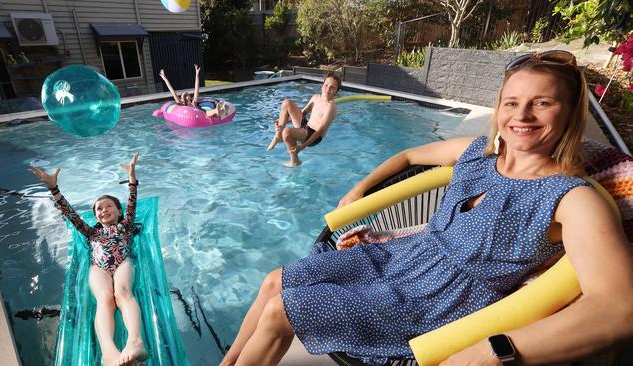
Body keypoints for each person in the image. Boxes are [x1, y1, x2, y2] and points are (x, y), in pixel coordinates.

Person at [221, 50, 633, 366]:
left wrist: (498, 350)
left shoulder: (572, 198)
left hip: (435, 300)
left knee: (281, 310)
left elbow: (618, 308)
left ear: (570, 112)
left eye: (542, 103)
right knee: (275, 280)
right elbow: (411, 155)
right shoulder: (478, 154)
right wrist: (360, 188)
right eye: (511, 103)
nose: (521, 115)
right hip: (401, 257)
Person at [30, 153, 148, 366]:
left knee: (122, 292)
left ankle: (135, 341)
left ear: (119, 211)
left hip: (123, 263)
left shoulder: (126, 225)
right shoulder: (91, 233)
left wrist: (132, 177)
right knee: (105, 299)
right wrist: (53, 188)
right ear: (95, 217)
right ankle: (109, 353)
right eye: (98, 209)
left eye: (108, 206)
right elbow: (70, 213)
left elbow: (132, 202)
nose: (103, 210)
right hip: (99, 268)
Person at [266, 71, 341, 167]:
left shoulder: (331, 108)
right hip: (306, 127)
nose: (328, 89)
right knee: (287, 103)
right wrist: (283, 121)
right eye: (326, 85)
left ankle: (295, 161)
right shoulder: (316, 97)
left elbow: (319, 131)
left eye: (332, 87)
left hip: (313, 135)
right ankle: (277, 135)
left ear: (336, 91)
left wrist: (301, 147)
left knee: (287, 132)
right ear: (322, 86)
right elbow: (303, 113)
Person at [159, 65, 227, 118]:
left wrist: (197, 74)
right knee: (208, 113)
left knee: (207, 112)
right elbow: (172, 91)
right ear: (182, 99)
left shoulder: (194, 102)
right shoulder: (181, 104)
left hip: (201, 112)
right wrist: (165, 78)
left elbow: (196, 89)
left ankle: (220, 111)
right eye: (185, 96)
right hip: (199, 114)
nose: (186, 96)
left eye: (187, 95)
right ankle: (218, 111)